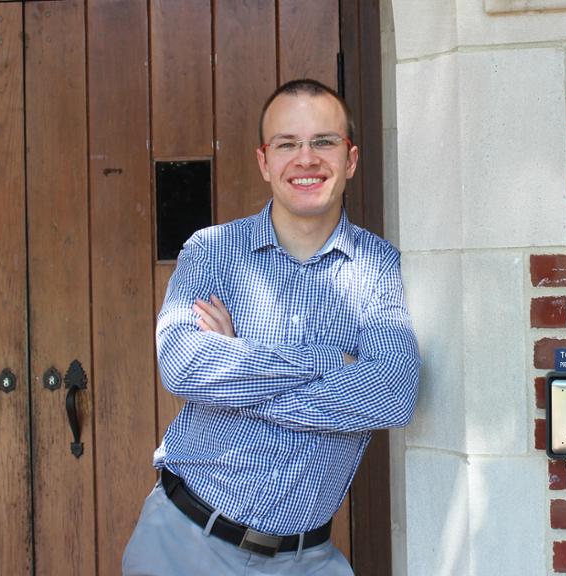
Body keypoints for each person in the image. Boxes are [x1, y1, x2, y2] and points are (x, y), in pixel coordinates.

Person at [122, 79, 420, 575]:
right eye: (287, 144)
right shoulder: (210, 252)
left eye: (324, 141)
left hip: (308, 560)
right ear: (265, 161)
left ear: (350, 159)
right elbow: (182, 364)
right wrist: (330, 364)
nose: (306, 159)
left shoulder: (378, 265)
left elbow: (392, 392)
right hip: (186, 544)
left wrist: (239, 363)